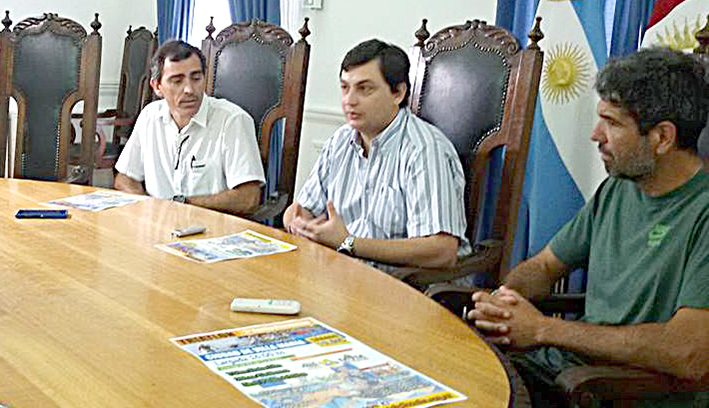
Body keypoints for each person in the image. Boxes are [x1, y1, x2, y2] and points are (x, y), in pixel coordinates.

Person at [469, 48, 709, 407]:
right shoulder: (619, 186)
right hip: (560, 374)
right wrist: (504, 302)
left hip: (610, 390)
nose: (596, 135)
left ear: (662, 137)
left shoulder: (702, 212)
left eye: (612, 123)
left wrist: (543, 329)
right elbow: (546, 265)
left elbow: (688, 352)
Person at [282, 38, 469, 275]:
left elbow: (442, 251)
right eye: (344, 87)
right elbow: (299, 210)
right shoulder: (340, 141)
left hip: (403, 288)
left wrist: (349, 243)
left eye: (364, 89)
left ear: (398, 93)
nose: (349, 100)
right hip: (338, 277)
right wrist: (299, 224)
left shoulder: (424, 149)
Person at [114, 40, 265, 216]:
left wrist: (185, 204)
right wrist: (150, 210)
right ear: (157, 86)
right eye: (177, 81)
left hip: (211, 229)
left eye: (196, 78)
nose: (189, 89)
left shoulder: (232, 120)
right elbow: (125, 178)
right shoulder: (150, 115)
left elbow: (248, 198)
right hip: (156, 227)